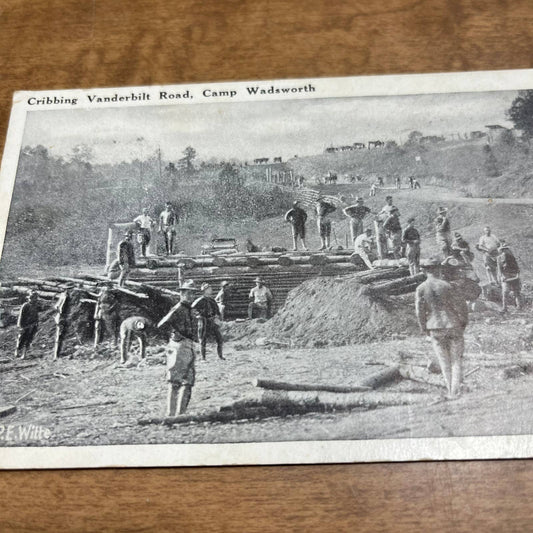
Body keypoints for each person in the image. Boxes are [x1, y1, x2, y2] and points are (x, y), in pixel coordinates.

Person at [415, 257, 481, 399]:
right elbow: (462, 306)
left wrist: (424, 328)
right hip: (452, 324)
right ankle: (455, 391)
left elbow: (419, 311)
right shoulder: (447, 286)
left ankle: (450, 390)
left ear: (425, 271)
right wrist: (463, 322)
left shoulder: (420, 289)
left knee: (444, 361)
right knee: (456, 360)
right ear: (439, 269)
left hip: (434, 327)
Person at [157, 279, 198, 416]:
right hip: (179, 346)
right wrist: (175, 335)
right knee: (175, 381)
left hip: (189, 345)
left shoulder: (189, 309)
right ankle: (171, 414)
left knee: (188, 381)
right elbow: (162, 324)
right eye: (188, 294)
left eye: (193, 294)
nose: (191, 297)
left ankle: (181, 415)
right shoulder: (178, 308)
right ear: (182, 294)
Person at [192, 283, 224, 361]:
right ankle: (203, 358)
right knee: (203, 340)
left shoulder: (212, 300)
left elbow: (217, 311)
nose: (211, 289)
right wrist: (198, 316)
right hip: (203, 321)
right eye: (209, 288)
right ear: (204, 290)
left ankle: (220, 356)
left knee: (219, 339)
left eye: (211, 288)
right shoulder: (199, 300)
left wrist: (217, 317)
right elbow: (192, 310)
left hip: (212, 321)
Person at [497, 241, 522, 313]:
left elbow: (517, 268)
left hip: (514, 277)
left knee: (517, 292)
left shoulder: (512, 258)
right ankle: (504, 308)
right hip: (506, 277)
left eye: (506, 249)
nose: (505, 251)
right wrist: (501, 277)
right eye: (503, 249)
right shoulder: (499, 258)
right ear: (501, 250)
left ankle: (519, 307)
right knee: (505, 293)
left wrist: (517, 275)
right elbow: (499, 269)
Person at [15, 291, 39, 359]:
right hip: (24, 325)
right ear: (30, 298)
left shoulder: (35, 306)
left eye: (35, 298)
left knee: (29, 339)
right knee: (21, 338)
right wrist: (20, 326)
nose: (34, 300)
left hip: (32, 325)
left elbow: (36, 315)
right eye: (33, 298)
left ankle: (24, 354)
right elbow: (21, 316)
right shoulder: (25, 305)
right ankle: (17, 351)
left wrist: (36, 323)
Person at [53, 289, 71, 360]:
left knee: (61, 336)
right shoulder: (64, 298)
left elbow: (56, 307)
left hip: (62, 318)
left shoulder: (62, 297)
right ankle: (56, 355)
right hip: (61, 318)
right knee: (59, 336)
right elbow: (60, 309)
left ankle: (57, 353)